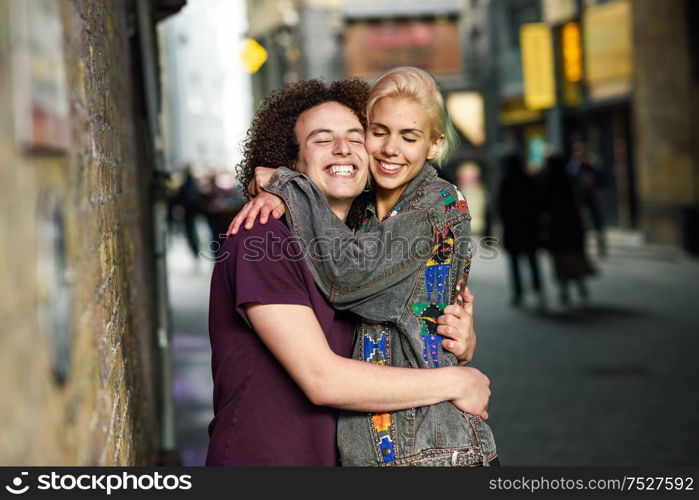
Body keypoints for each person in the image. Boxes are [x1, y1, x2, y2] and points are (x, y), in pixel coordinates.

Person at [207, 78, 490, 466]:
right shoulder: (264, 236)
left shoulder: (363, 237)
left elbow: (409, 312)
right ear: (293, 160)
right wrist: (457, 381)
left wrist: (455, 331)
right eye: (322, 139)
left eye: (355, 137)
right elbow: (322, 379)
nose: (342, 148)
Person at [541, 154, 595, 307]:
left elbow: (544, 206)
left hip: (556, 227)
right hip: (571, 226)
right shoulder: (570, 181)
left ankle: (565, 291)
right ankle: (580, 286)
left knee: (560, 260)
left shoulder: (548, 182)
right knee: (575, 256)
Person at [496, 153, 545, 309]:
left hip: (513, 229)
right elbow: (538, 204)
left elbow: (501, 208)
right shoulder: (528, 181)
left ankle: (518, 294)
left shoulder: (506, 183)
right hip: (529, 227)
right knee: (532, 260)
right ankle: (538, 291)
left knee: (515, 263)